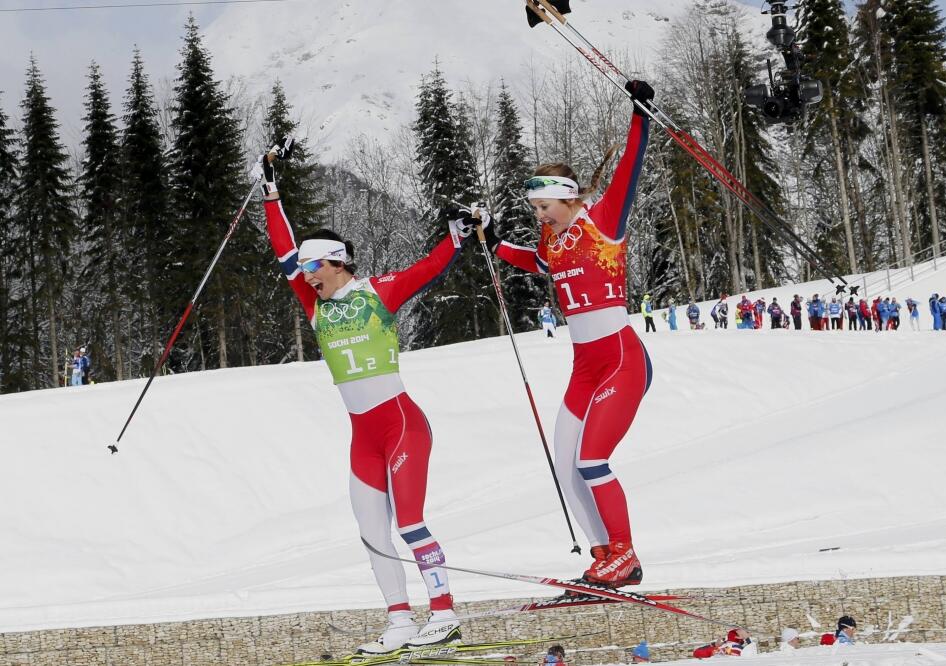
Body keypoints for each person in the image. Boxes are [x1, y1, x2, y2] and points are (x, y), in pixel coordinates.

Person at [255, 146, 465, 653]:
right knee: (372, 532)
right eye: (303, 266)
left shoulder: (378, 292)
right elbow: (283, 251)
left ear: (336, 262)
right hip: (362, 436)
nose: (303, 273)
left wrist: (457, 235)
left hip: (400, 424)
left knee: (411, 522)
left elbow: (428, 268)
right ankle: (399, 621)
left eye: (312, 265)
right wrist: (271, 194)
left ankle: (445, 613)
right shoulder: (313, 303)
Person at [486, 79, 655, 588]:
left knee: (593, 458)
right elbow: (532, 260)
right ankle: (604, 554)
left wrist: (640, 114)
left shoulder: (604, 219)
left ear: (566, 198)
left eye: (544, 208)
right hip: (585, 365)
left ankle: (626, 554)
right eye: (535, 211)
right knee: (566, 463)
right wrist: (495, 241)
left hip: (622, 358)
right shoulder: (551, 239)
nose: (539, 217)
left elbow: (629, 168)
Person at [692, 628, 757, 658]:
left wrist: (750, 644)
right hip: (728, 647)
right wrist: (719, 639)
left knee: (725, 651)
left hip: (731, 647)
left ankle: (722, 654)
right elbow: (743, 632)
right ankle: (722, 653)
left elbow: (744, 635)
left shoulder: (736, 639)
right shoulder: (734, 632)